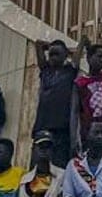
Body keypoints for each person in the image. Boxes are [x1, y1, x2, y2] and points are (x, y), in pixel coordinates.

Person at [33, 38, 81, 167]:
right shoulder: (45, 71)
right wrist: (52, 46)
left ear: (65, 56)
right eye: (51, 54)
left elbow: (78, 53)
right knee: (38, 166)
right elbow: (38, 43)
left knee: (59, 165)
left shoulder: (70, 71)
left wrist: (70, 50)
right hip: (42, 126)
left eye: (57, 54)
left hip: (61, 127)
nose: (53, 57)